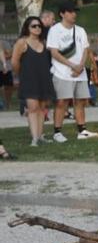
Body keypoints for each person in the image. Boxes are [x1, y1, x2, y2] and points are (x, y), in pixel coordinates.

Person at [47, 3, 98, 142]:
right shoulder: (55, 30)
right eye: (70, 12)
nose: (74, 14)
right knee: (62, 102)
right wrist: (72, 66)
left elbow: (85, 49)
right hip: (62, 73)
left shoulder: (80, 30)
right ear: (62, 14)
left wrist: (81, 66)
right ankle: (57, 132)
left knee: (81, 101)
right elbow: (54, 52)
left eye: (74, 12)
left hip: (80, 72)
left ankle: (82, 130)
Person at [12, 16, 54, 146]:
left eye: (39, 26)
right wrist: (21, 75)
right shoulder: (22, 42)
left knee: (42, 108)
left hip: (44, 79)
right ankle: (34, 138)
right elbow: (14, 62)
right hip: (29, 79)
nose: (37, 28)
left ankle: (40, 136)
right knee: (32, 108)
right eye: (34, 26)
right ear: (27, 28)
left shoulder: (45, 43)